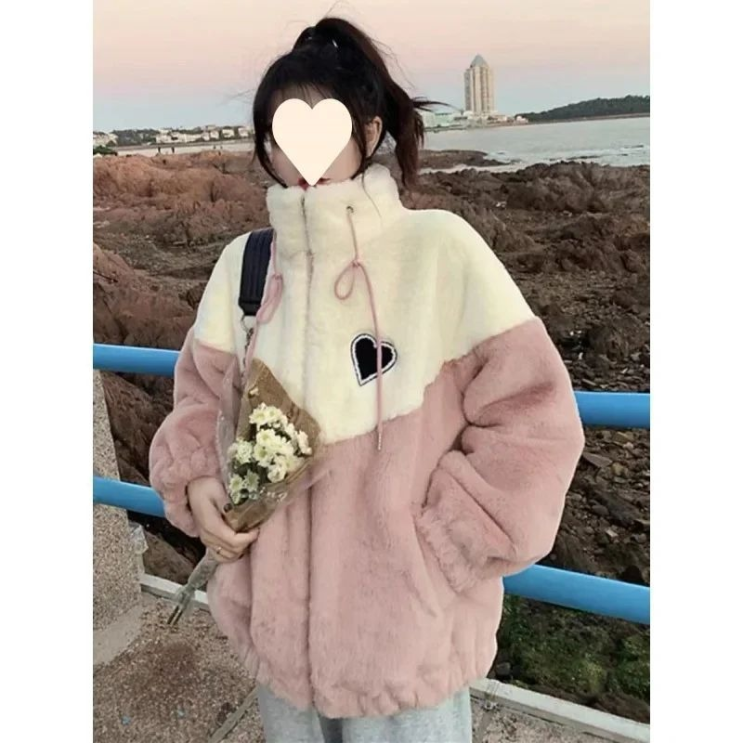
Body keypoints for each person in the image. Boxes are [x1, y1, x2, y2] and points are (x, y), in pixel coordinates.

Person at [149, 16, 585, 743]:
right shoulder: (245, 265)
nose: (300, 154)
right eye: (280, 135)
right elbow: (198, 394)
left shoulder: (439, 249)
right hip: (277, 637)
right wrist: (197, 481)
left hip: (404, 638)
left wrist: (444, 545)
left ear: (369, 129)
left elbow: (534, 417)